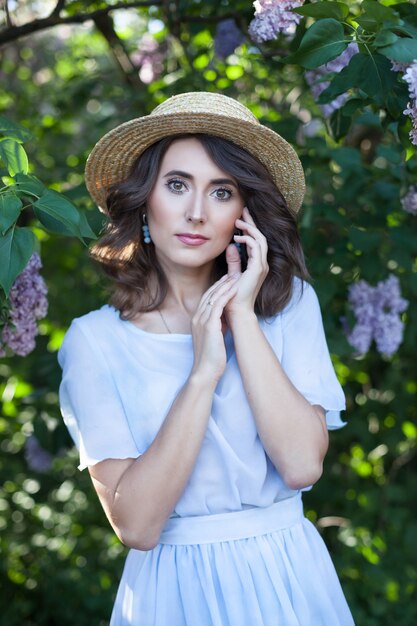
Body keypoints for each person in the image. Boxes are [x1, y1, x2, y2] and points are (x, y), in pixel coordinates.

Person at [58, 92, 355, 626]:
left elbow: (302, 465)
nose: (197, 211)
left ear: (245, 213)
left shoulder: (288, 310)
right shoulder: (94, 342)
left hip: (289, 576)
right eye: (177, 185)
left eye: (222, 191)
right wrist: (203, 374)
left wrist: (242, 315)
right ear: (144, 198)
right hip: (172, 592)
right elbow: (139, 526)